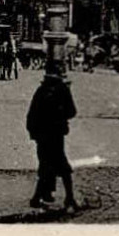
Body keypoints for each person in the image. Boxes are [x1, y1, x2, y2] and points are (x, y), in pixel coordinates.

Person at [26, 62, 80, 212]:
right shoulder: (62, 90)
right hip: (54, 134)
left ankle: (40, 196)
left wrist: (33, 132)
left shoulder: (42, 90)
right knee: (60, 166)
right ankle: (67, 198)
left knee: (46, 164)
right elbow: (72, 112)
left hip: (45, 135)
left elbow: (31, 114)